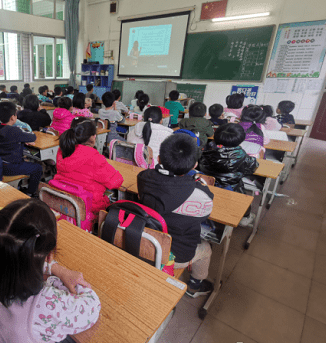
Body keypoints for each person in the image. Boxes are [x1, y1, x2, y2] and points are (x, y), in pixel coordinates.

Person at [0, 199, 101, 343]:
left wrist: (56, 269)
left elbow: (17, 258)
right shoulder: (47, 305)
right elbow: (92, 306)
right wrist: (55, 279)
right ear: (49, 255)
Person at [137, 134, 214, 298]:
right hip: (175, 254)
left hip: (142, 241)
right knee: (206, 248)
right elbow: (204, 216)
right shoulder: (200, 195)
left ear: (158, 158)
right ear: (195, 164)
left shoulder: (143, 178)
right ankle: (194, 287)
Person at [55, 117, 124, 221]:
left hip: (64, 202)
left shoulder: (63, 150)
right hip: (89, 206)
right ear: (93, 137)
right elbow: (115, 182)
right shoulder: (94, 157)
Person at [0, 102, 43, 196]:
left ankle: (25, 185)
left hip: (1, 164)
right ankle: (30, 192)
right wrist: (23, 136)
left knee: (29, 162)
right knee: (38, 168)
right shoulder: (14, 130)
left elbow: (11, 138)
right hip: (12, 166)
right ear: (13, 117)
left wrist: (21, 139)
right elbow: (33, 137)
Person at [199, 123, 259, 193]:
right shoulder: (242, 155)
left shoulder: (205, 152)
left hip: (205, 188)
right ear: (241, 139)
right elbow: (253, 168)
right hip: (232, 190)